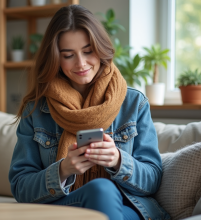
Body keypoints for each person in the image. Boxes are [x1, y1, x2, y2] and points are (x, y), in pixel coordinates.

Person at [9, 4, 170, 220]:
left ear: (100, 48)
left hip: (125, 208)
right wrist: (63, 171)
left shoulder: (134, 103)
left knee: (102, 190)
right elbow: (20, 187)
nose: (81, 63)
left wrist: (118, 160)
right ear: (56, 58)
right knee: (99, 190)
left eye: (88, 51)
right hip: (66, 206)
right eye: (68, 55)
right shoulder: (37, 111)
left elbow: (153, 180)